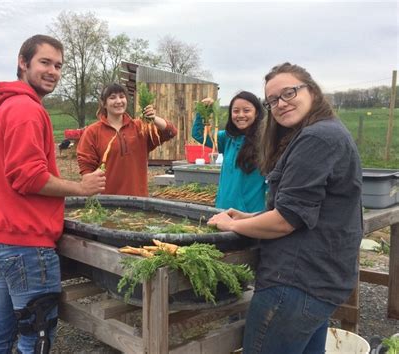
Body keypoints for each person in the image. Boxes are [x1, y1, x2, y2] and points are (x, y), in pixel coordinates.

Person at [207, 63, 363, 354]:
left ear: (311, 90)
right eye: (273, 100)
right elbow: (304, 209)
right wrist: (252, 217)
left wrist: (232, 225)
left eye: (289, 92)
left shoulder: (317, 138)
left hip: (295, 281)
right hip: (318, 281)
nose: (281, 103)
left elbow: (287, 220)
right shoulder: (325, 131)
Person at [0, 34, 106, 354]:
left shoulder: (9, 106)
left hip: (0, 239)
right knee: (37, 336)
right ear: (23, 62)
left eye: (58, 66)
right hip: (26, 245)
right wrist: (81, 187)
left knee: (1, 332)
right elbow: (28, 177)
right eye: (45, 62)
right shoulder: (25, 109)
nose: (53, 71)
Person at [77, 83, 177, 197]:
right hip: (106, 200)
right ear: (104, 103)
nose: (118, 101)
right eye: (112, 97)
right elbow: (86, 166)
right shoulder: (93, 132)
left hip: (138, 199)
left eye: (122, 96)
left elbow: (170, 132)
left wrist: (154, 118)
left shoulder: (140, 127)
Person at [191, 92, 267, 212]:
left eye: (246, 110)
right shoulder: (226, 138)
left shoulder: (266, 142)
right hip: (223, 209)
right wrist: (204, 112)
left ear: (257, 113)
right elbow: (198, 134)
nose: (241, 115)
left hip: (249, 213)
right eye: (236, 111)